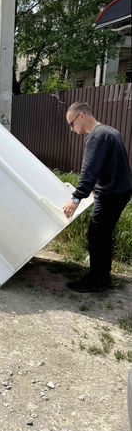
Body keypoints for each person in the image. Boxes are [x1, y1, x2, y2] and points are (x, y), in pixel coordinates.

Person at [63, 101, 132, 293]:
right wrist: (97, 187)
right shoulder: (110, 131)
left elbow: (89, 170)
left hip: (111, 195)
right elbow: (111, 165)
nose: (72, 128)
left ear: (82, 116)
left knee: (96, 235)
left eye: (71, 123)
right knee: (103, 235)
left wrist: (76, 198)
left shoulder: (96, 136)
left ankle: (97, 281)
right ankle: (103, 276)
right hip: (120, 191)